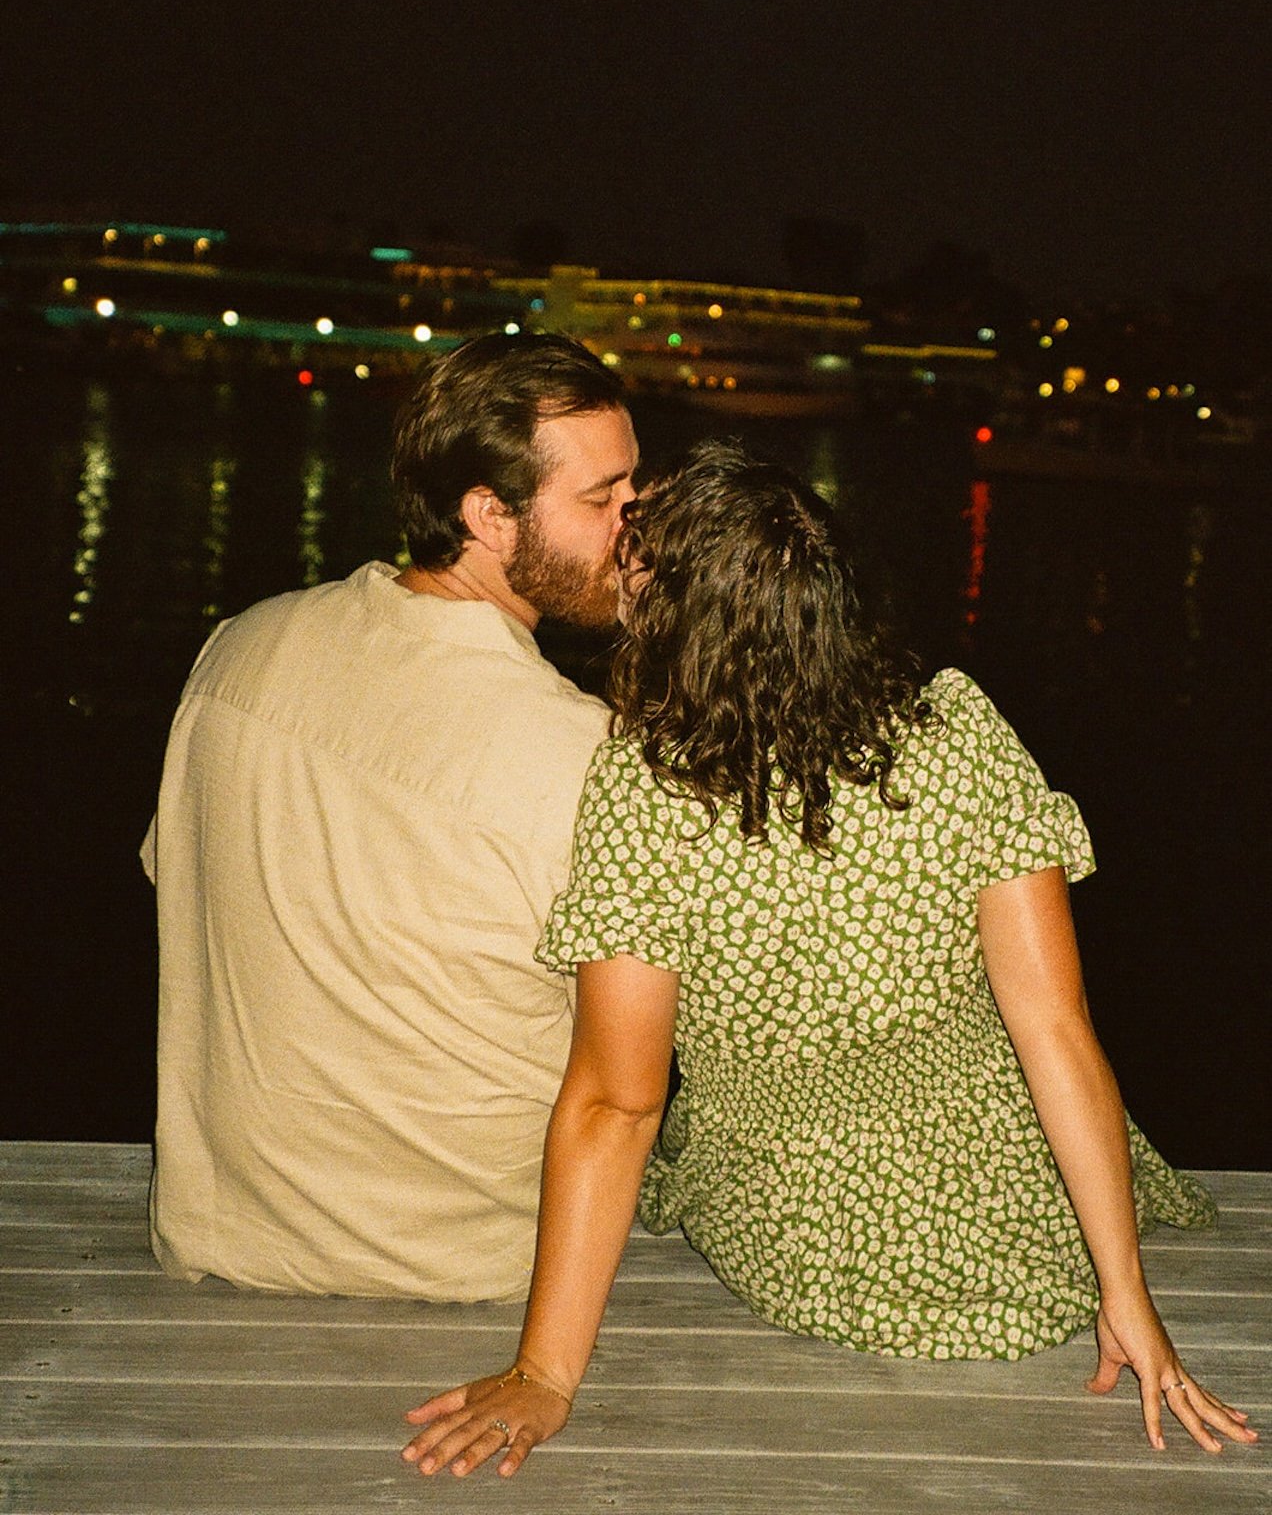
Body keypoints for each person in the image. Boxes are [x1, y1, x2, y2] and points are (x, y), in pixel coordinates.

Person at [403, 439, 1257, 1475]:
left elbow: (618, 1104)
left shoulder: (647, 790)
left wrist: (543, 1376)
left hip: (799, 1234)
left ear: (682, 620)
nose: (619, 548)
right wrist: (1123, 1293)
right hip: (1026, 1233)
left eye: (640, 549)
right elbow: (1055, 1031)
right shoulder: (955, 730)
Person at [143, 331, 638, 1301]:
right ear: (489, 516)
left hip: (222, 1237)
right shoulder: (582, 753)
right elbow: (636, 1071)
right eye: (602, 498)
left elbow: (180, 880)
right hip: (469, 1270)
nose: (640, 523)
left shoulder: (241, 647)